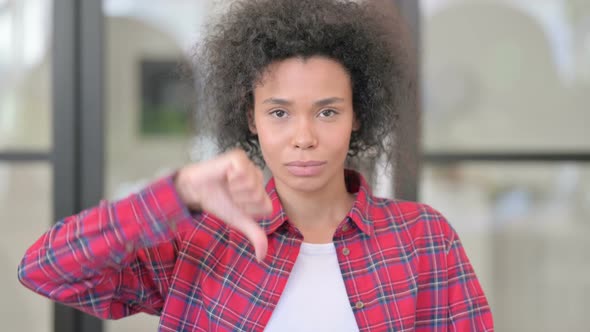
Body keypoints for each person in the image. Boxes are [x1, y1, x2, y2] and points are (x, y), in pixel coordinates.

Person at [18, 0, 493, 330]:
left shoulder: (424, 240)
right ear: (251, 118)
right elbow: (46, 268)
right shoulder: (201, 242)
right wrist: (178, 194)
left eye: (327, 111)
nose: (304, 138)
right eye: (279, 113)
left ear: (357, 116)